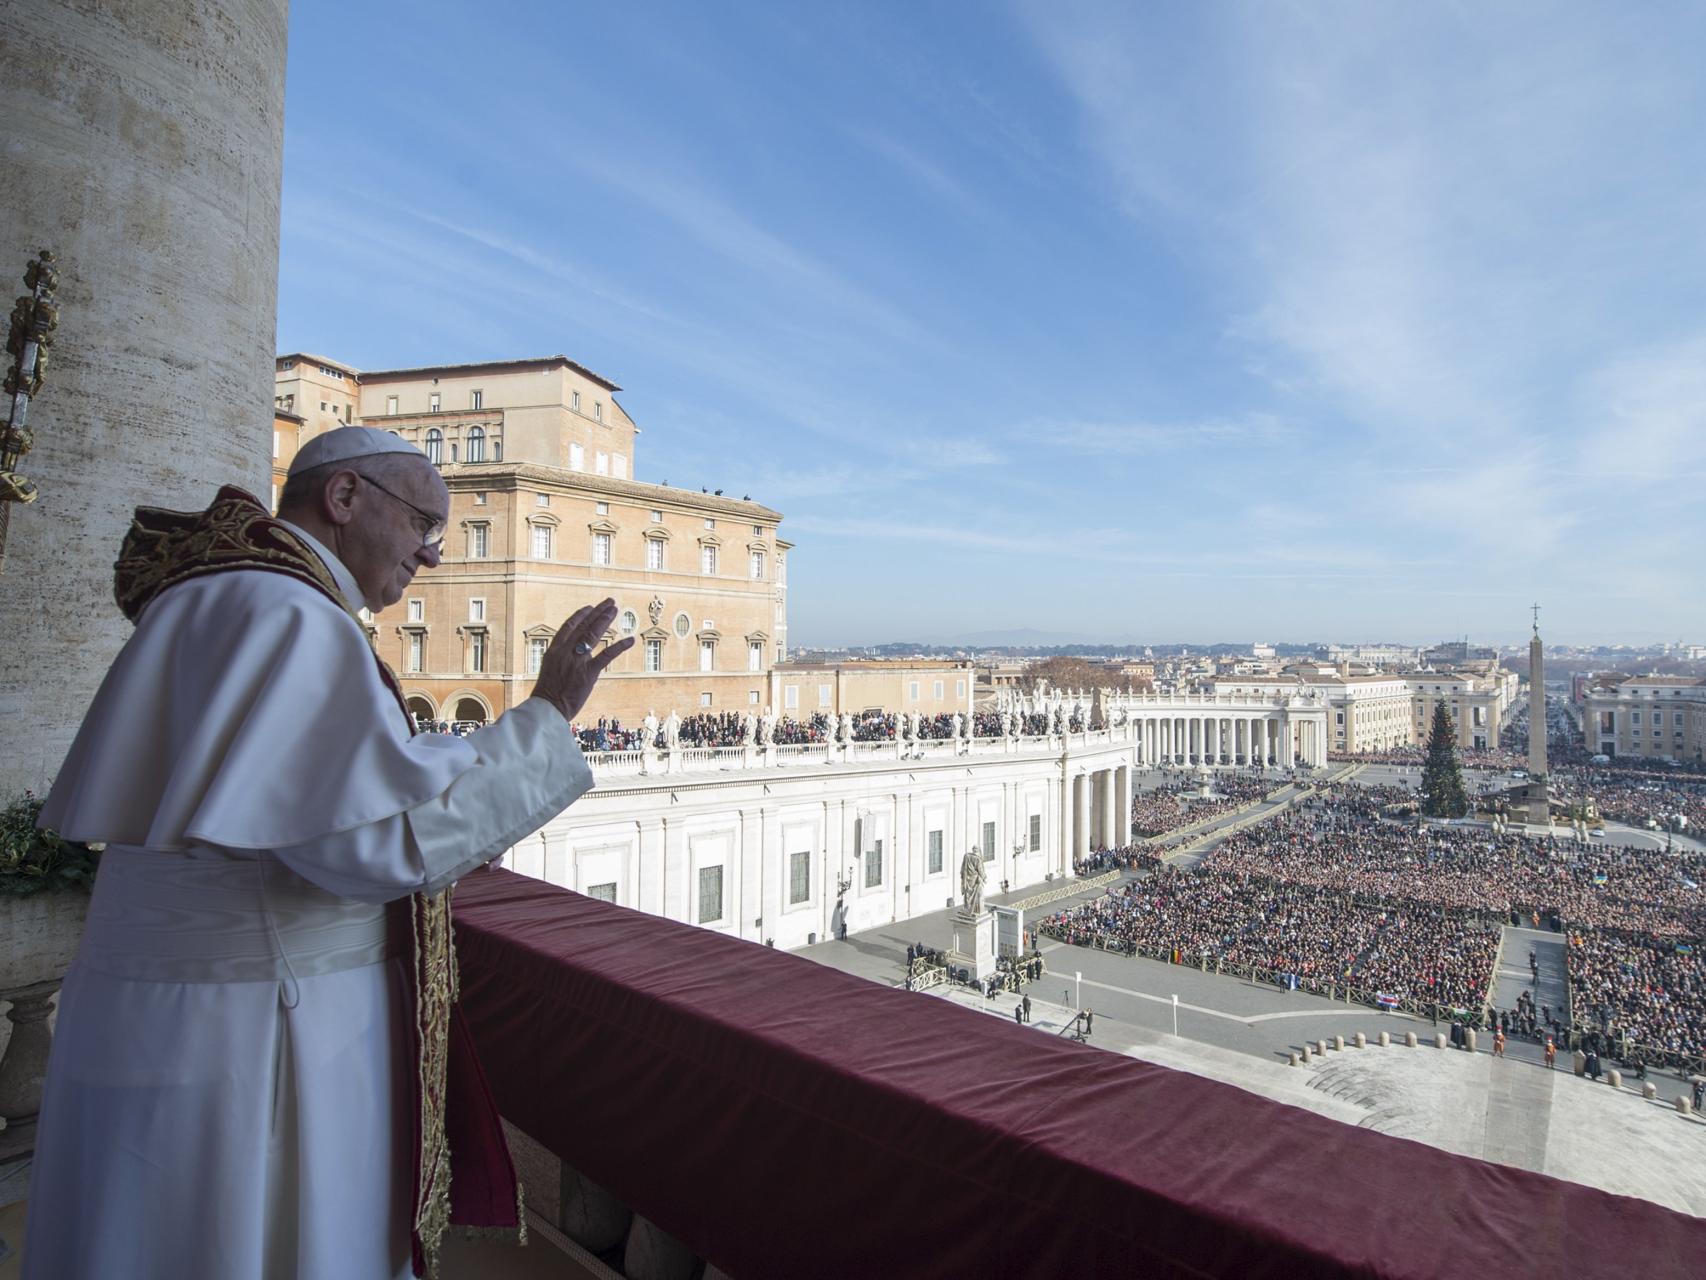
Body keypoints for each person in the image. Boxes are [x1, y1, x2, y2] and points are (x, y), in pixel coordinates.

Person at [24, 428, 633, 1280]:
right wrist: (543, 719)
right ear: (344, 499)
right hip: (253, 1033)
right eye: (423, 520)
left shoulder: (226, 600)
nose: (430, 553)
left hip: (175, 1014)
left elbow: (336, 792)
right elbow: (376, 843)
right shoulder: (291, 616)